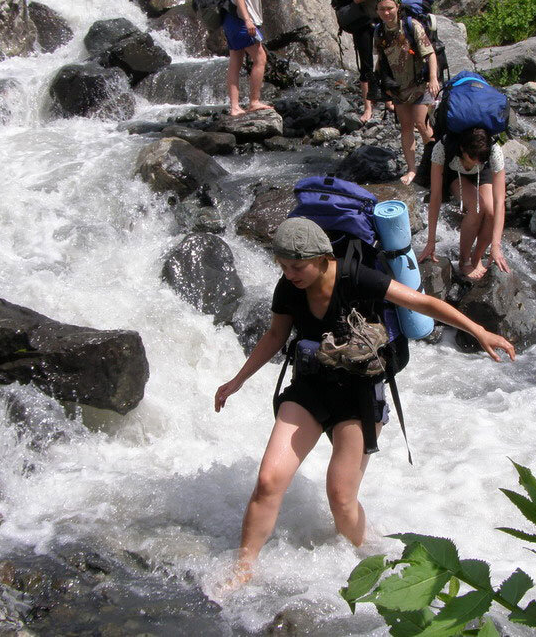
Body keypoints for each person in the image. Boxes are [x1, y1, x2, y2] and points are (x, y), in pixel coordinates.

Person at [214, 217, 515, 585]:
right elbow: (276, 335)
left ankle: (366, 561)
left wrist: (479, 330)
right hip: (309, 389)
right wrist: (237, 380)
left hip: (358, 395)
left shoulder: (356, 278)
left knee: (341, 498)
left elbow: (422, 302)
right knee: (268, 481)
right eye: (283, 266)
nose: (289, 274)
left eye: (296, 266)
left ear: (323, 258)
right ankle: (243, 569)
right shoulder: (289, 288)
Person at [419, 127, 509, 281]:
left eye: (479, 159)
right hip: (454, 174)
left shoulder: (493, 150)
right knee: (476, 207)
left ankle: (476, 258)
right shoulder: (443, 147)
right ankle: (464, 260)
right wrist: (431, 241)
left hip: (482, 173)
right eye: (471, 158)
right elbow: (435, 196)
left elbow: (500, 201)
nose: (475, 162)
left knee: (492, 211)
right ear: (462, 148)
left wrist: (496, 246)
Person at [374, 0, 440, 185]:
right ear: (377, 10)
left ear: (397, 8)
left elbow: (430, 53)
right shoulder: (378, 32)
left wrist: (433, 78)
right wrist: (383, 87)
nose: (386, 12)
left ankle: (434, 167)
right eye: (382, 9)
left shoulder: (412, 26)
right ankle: (412, 170)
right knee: (406, 127)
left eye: (389, 8)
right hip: (397, 87)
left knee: (422, 124)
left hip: (420, 84)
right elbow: (380, 61)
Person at [351, 0, 399, 123]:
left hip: (383, 20)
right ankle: (368, 107)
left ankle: (388, 100)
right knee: (366, 64)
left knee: (386, 60)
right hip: (363, 20)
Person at [224, 0, 272, 116]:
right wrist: (247, 20)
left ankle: (235, 107)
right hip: (240, 21)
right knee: (260, 58)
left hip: (232, 20)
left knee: (236, 61)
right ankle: (254, 101)